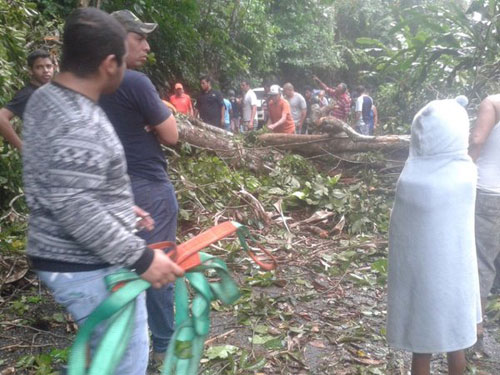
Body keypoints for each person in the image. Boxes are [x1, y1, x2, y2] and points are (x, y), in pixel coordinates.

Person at [22, 8, 184, 375]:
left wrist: (121, 210)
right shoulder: (80, 120)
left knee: (103, 352)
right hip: (83, 263)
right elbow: (73, 203)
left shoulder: (46, 99)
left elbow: (64, 182)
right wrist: (142, 258)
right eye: (124, 62)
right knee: (126, 359)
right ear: (110, 63)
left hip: (60, 254)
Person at [99, 9, 181, 366]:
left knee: (121, 267)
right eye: (139, 38)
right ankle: (164, 347)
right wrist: (158, 119)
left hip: (107, 192)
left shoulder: (86, 84)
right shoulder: (135, 82)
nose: (147, 46)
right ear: (116, 42)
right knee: (157, 265)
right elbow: (172, 135)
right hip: (147, 188)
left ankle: (123, 345)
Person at [387, 96, 481, 375]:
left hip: (421, 282)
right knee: (457, 343)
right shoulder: (465, 175)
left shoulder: (410, 178)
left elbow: (402, 238)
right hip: (455, 278)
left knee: (422, 345)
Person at [469, 94, 500, 343]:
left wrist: (463, 169)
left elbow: (478, 140)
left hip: (488, 193)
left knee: (482, 259)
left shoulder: (493, 102)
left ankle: (475, 321)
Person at [0, 49, 54, 150]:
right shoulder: (28, 94)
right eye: (39, 67)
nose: (46, 70)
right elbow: (1, 118)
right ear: (30, 71)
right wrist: (22, 148)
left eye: (48, 66)